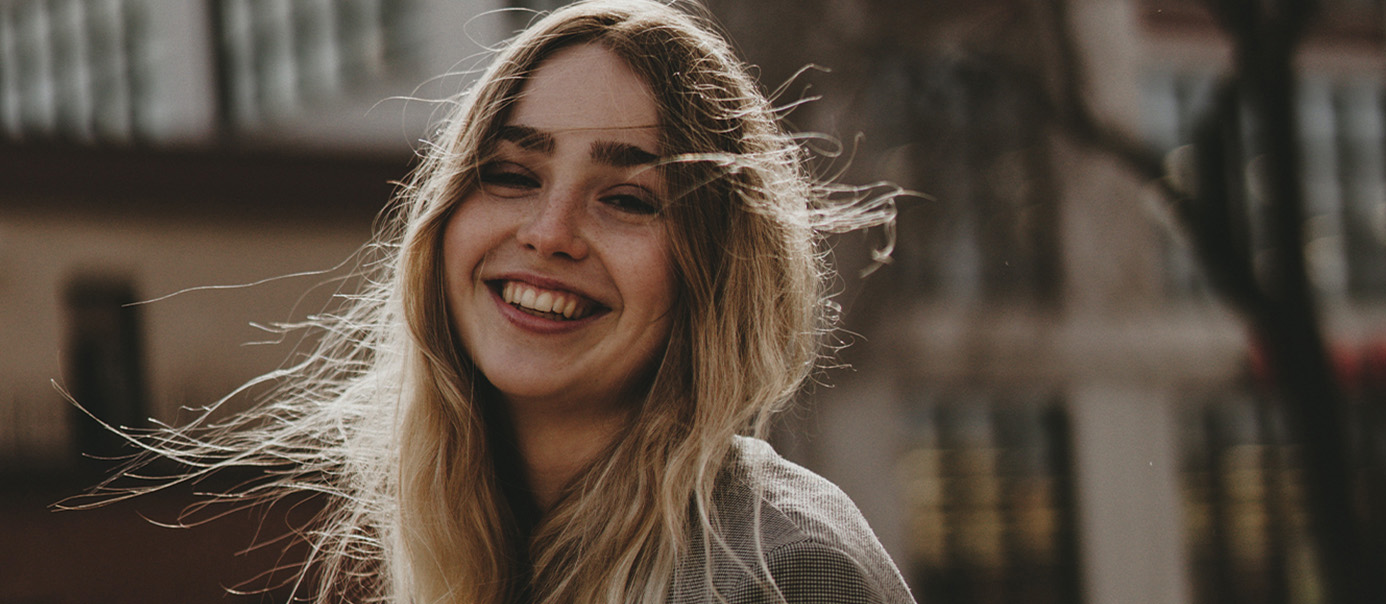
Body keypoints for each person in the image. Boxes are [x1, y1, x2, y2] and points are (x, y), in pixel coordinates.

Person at [83, 1, 912, 602]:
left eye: (627, 198)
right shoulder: (474, 547)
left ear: (716, 265)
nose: (550, 232)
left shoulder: (783, 570)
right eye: (512, 175)